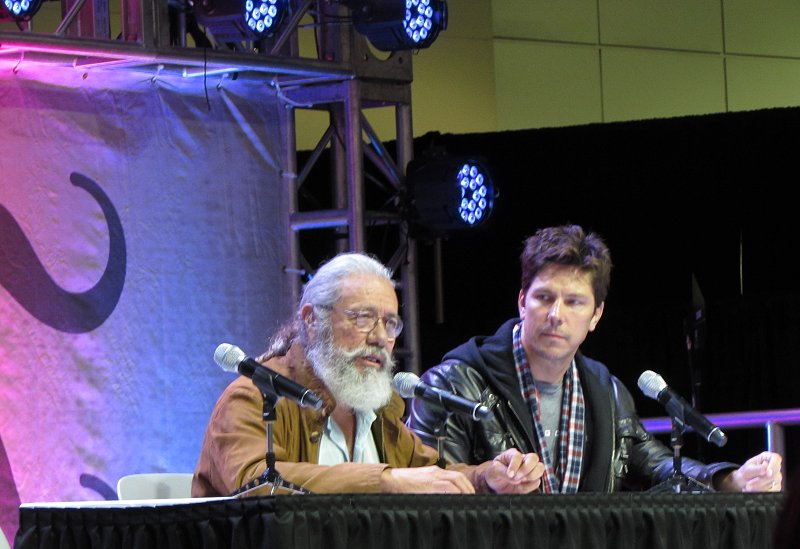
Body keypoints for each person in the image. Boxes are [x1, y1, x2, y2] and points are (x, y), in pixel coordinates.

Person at [407, 224, 783, 493]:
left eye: (574, 302)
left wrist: (729, 480)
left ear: (596, 315)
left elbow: (658, 466)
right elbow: (427, 485)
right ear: (522, 301)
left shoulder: (607, 393)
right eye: (544, 297)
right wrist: (486, 479)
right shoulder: (451, 385)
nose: (556, 315)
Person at [192, 252, 545, 497]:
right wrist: (384, 481)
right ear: (312, 321)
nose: (379, 337)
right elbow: (254, 483)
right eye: (362, 318)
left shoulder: (376, 412)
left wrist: (486, 477)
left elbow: (429, 475)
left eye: (390, 323)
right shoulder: (252, 397)